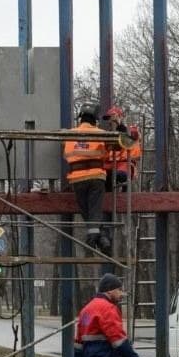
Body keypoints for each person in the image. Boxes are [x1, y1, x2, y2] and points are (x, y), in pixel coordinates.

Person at [63, 103, 112, 256]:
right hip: (96, 177)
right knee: (94, 211)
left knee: (88, 213)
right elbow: (107, 154)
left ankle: (101, 238)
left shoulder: (70, 135)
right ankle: (96, 240)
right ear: (95, 120)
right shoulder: (101, 134)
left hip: (77, 179)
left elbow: (66, 155)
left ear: (81, 118)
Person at [102, 105, 141, 192]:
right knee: (101, 177)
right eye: (109, 118)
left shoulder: (130, 130)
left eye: (112, 117)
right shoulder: (106, 135)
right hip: (109, 166)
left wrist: (120, 126)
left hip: (124, 165)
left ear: (120, 117)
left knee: (120, 176)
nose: (110, 121)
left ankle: (124, 194)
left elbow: (134, 136)